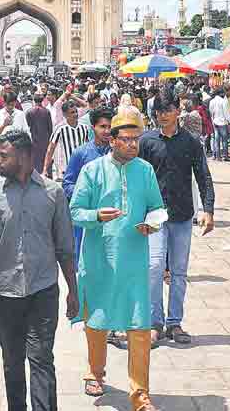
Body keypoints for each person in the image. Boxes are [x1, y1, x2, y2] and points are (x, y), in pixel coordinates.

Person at [69, 105, 165, 410]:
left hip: (134, 261)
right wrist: (96, 215)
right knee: (96, 321)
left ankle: (140, 394)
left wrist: (152, 222)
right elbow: (75, 211)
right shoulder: (93, 171)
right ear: (112, 140)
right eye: (126, 139)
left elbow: (158, 207)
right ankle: (95, 372)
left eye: (136, 139)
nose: (133, 145)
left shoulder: (145, 170)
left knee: (139, 327)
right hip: (99, 260)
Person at [0, 129, 79, 411]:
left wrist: (73, 289)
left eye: (4, 156)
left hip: (43, 291)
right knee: (12, 362)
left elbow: (65, 246)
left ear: (23, 156)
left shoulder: (53, 193)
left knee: (42, 359)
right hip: (6, 293)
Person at [139, 92, 214, 344]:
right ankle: (154, 322)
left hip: (182, 215)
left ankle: (175, 323)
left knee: (179, 272)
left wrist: (209, 209)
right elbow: (137, 178)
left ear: (177, 111)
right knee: (154, 267)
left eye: (167, 109)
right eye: (158, 110)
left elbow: (203, 176)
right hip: (154, 216)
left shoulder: (191, 142)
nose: (162, 114)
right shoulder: (146, 141)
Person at [63, 107, 114, 256]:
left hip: (112, 217)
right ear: (93, 127)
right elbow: (67, 184)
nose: (106, 131)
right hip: (87, 218)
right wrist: (88, 195)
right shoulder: (80, 153)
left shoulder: (117, 154)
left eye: (110, 127)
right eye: (102, 126)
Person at [43, 101, 87, 181]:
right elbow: (50, 149)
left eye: (76, 111)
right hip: (67, 170)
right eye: (72, 112)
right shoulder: (60, 128)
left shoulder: (84, 128)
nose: (75, 114)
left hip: (82, 168)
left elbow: (87, 147)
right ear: (65, 115)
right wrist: (45, 169)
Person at [207, 88, 230, 162]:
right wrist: (229, 121)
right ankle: (225, 156)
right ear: (221, 93)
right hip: (222, 122)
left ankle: (217, 156)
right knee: (224, 139)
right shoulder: (223, 101)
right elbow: (226, 112)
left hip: (215, 121)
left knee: (216, 139)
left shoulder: (212, 101)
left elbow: (211, 111)